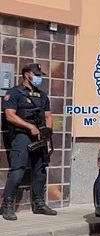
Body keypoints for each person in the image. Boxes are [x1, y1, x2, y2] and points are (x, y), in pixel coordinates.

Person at [1, 63, 56, 220]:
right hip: (22, 136)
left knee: (40, 171)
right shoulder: (14, 93)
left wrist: (47, 131)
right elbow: (10, 115)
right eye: (36, 74)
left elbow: (48, 116)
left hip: (39, 136)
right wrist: (29, 126)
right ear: (26, 74)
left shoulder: (42, 96)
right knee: (17, 172)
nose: (39, 78)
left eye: (40, 75)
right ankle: (7, 206)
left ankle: (39, 204)